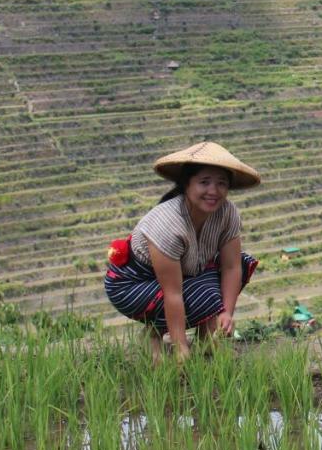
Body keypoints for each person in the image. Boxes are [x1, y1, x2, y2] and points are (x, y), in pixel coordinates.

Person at [104, 142, 261, 361]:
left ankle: (208, 337)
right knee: (205, 293)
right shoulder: (169, 223)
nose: (213, 191)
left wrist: (226, 313)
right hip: (133, 284)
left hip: (183, 276)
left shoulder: (227, 213)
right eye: (204, 182)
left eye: (221, 183)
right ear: (186, 184)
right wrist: (180, 347)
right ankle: (154, 333)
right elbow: (173, 293)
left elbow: (232, 266)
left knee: (241, 264)